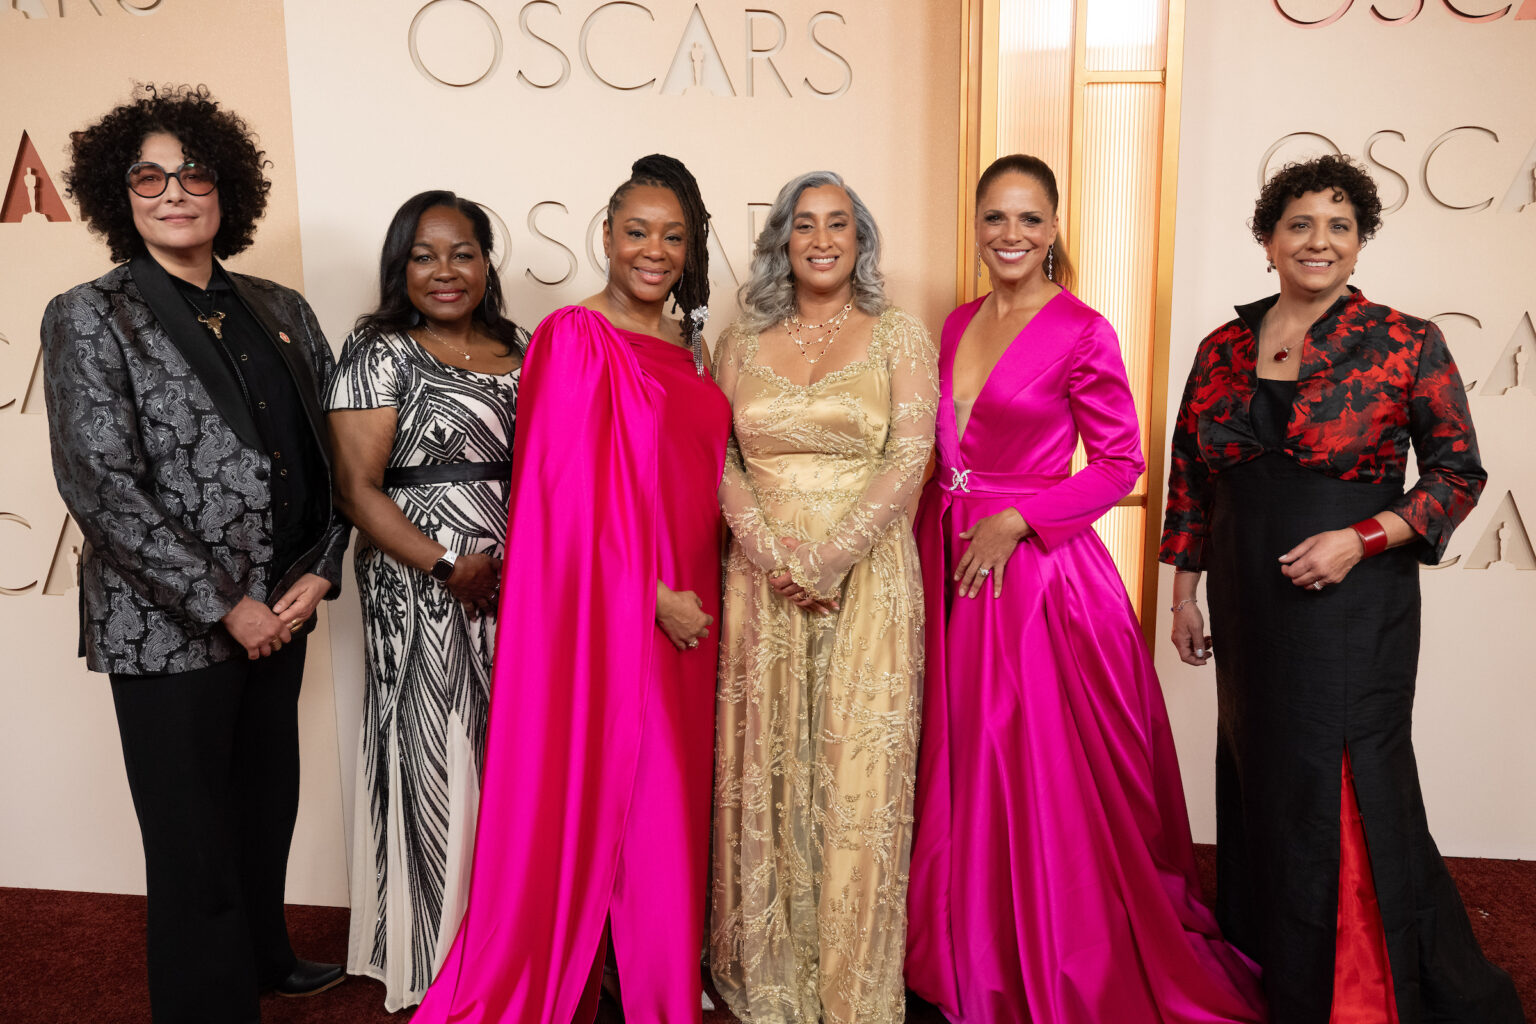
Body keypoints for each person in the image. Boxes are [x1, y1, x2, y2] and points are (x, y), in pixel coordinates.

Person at [904, 154, 1266, 1023]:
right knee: (956, 755)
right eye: (996, 217)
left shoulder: (1083, 330)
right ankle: (962, 934)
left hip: (1034, 577)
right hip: (949, 556)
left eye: (1029, 219)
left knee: (1025, 764)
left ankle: (1037, 940)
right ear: (977, 223)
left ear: (1056, 226)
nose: (1011, 235)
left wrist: (1020, 520)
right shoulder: (955, 325)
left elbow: (1119, 464)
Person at [1161, 154, 1523, 1022]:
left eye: (1339, 227)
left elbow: (1457, 476)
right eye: (1300, 224)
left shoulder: (1405, 339)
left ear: (1360, 244)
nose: (1318, 242)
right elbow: (1190, 478)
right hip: (1248, 597)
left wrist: (1362, 538)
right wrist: (1183, 592)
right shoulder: (1222, 347)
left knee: (1346, 772)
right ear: (1267, 239)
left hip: (1354, 600)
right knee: (1266, 773)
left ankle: (1361, 987)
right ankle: (1280, 968)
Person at [38, 85, 349, 1023]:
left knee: (264, 807)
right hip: (171, 627)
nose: (174, 192)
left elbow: (335, 460)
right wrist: (226, 604)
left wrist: (321, 567)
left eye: (194, 172)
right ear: (118, 194)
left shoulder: (279, 305)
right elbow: (102, 486)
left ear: (227, 187)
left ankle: (263, 954)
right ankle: (206, 1001)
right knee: (190, 835)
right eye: (149, 175)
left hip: (284, 610)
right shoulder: (91, 314)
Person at [411, 154, 730, 1024]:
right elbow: (560, 500)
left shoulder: (688, 346)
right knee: (639, 789)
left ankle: (645, 974)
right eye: (637, 233)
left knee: (670, 797)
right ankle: (644, 991)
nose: (653, 251)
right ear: (606, 237)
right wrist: (650, 599)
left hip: (700, 599)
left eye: (673, 236)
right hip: (629, 609)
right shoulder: (573, 336)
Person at [709, 170, 936, 1023]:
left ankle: (850, 983)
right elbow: (716, 456)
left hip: (866, 574)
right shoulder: (736, 341)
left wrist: (831, 557)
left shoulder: (900, 335)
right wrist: (769, 550)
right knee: (765, 765)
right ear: (781, 239)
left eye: (839, 223)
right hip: (759, 576)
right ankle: (763, 964)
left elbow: (910, 456)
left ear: (861, 238)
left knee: (854, 777)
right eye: (805, 224)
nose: (822, 239)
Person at [326, 191, 525, 1010]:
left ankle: (509, 941)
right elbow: (355, 490)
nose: (445, 271)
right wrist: (448, 564)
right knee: (432, 754)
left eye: (462, 253)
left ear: (487, 261)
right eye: (424, 255)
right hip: (423, 589)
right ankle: (431, 958)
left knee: (510, 760)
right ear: (399, 267)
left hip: (520, 586)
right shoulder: (380, 352)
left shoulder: (521, 348)